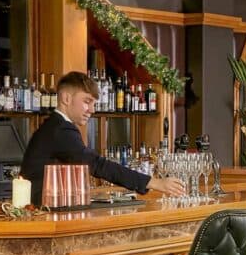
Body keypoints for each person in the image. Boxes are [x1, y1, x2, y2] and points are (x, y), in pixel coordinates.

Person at [21, 71, 185, 205]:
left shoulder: (55, 126)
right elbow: (97, 165)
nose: (92, 110)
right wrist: (155, 183)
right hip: (42, 211)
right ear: (66, 98)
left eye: (93, 103)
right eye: (87, 101)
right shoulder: (60, 130)